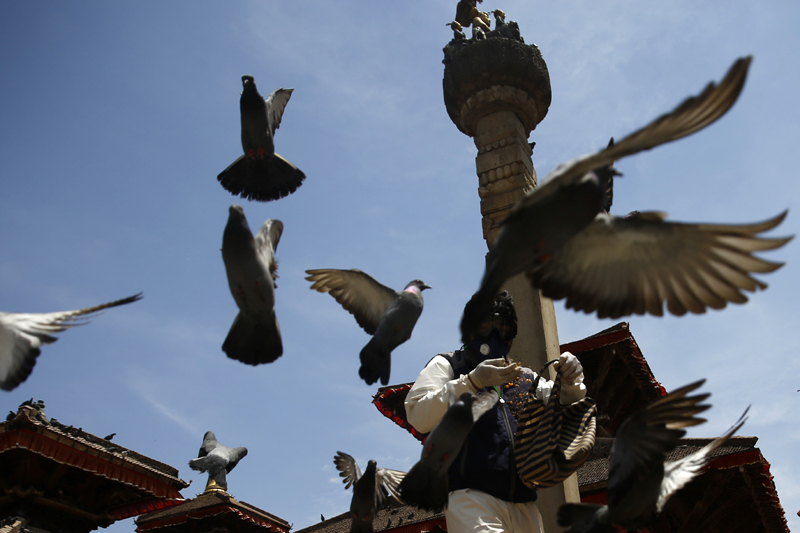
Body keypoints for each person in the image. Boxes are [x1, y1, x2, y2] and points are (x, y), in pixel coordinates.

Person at [404, 291, 586, 533]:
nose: (493, 336)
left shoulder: (525, 377)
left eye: (502, 328)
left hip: (525, 504)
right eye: (484, 325)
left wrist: (573, 383)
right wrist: (471, 382)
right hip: (471, 498)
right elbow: (417, 414)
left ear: (512, 335)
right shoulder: (448, 365)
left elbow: (566, 407)